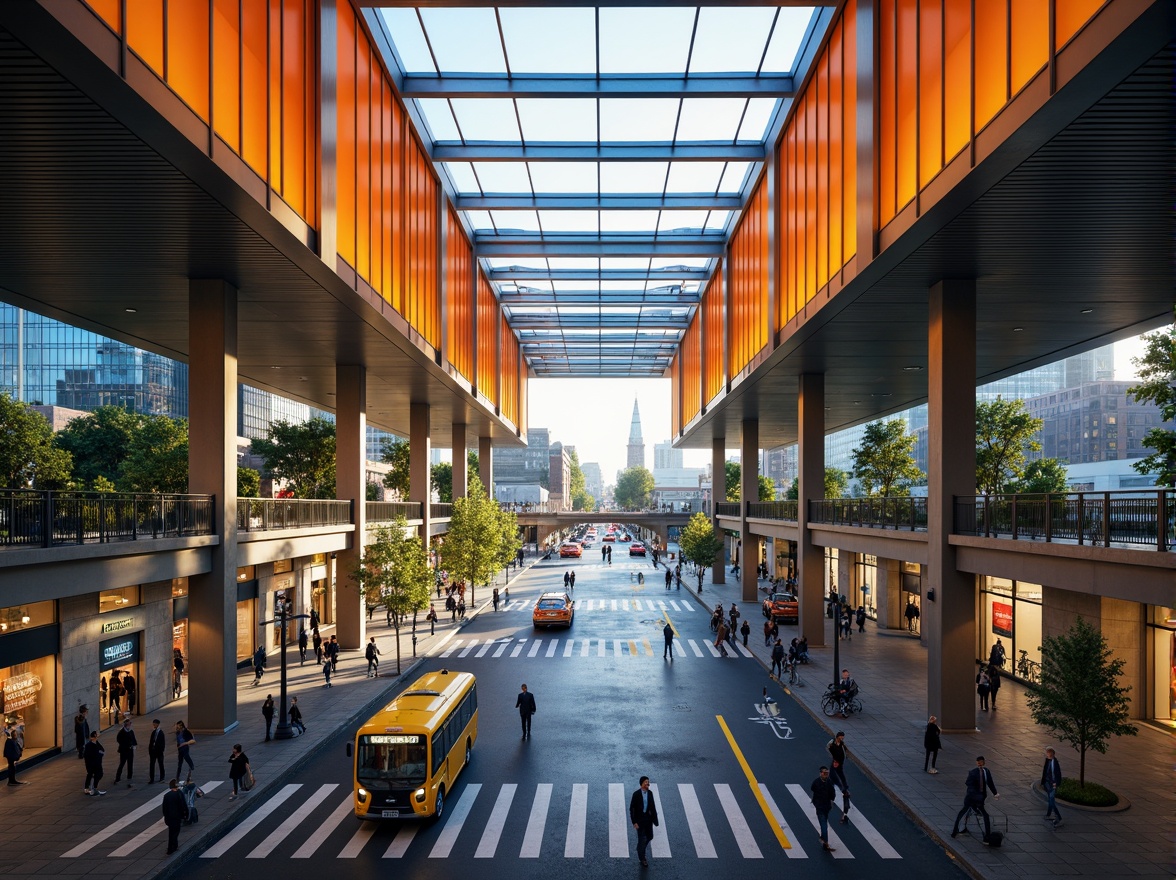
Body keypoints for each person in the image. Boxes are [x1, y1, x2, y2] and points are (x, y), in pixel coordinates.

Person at [951, 756, 999, 841]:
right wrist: (974, 795)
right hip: (972, 798)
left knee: (966, 812)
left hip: (980, 797)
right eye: (978, 762)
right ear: (976, 763)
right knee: (980, 815)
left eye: (981, 762)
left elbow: (990, 783)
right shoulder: (973, 772)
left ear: (984, 762)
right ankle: (985, 836)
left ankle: (961, 829)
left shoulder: (986, 771)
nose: (979, 763)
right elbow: (968, 783)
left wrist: (995, 793)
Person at [628, 775, 660, 867]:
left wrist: (655, 820)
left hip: (648, 819)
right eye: (646, 782)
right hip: (640, 821)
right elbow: (632, 809)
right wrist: (634, 822)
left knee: (650, 836)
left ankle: (640, 848)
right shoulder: (636, 794)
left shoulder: (650, 793)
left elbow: (653, 807)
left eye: (648, 782)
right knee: (642, 839)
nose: (647, 783)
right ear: (641, 783)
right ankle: (642, 858)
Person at [809, 766, 838, 852]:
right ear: (821, 773)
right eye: (824, 773)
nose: (826, 775)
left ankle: (823, 839)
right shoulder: (823, 782)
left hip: (825, 806)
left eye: (827, 773)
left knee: (824, 822)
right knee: (824, 823)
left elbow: (832, 794)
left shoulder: (823, 782)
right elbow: (833, 794)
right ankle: (825, 841)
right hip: (821, 806)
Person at [826, 731, 852, 822]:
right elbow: (828, 748)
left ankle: (844, 815)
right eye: (840, 737)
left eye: (843, 737)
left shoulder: (842, 745)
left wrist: (844, 789)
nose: (842, 739)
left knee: (841, 785)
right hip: (836, 765)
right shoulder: (832, 743)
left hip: (838, 765)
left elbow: (845, 752)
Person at [161, 778, 189, 854]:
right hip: (177, 816)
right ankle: (173, 846)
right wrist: (186, 814)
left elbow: (164, 808)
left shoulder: (166, 795)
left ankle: (171, 847)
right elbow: (183, 805)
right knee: (176, 832)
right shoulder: (179, 794)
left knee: (171, 832)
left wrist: (165, 816)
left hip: (169, 817)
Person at [113, 716, 137, 787]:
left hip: (130, 750)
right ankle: (118, 777)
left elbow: (133, 739)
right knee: (122, 764)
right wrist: (126, 745)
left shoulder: (131, 731)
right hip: (124, 751)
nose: (130, 725)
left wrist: (134, 745)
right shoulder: (121, 732)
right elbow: (119, 740)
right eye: (129, 724)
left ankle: (129, 776)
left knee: (130, 763)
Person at [1041, 747, 1063, 826]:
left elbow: (1057, 774)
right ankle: (1048, 814)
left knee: (1052, 801)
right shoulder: (1048, 761)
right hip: (1048, 783)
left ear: (1051, 754)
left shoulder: (1054, 763)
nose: (1046, 754)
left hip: (1052, 784)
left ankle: (1059, 818)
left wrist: (1055, 783)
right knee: (1050, 800)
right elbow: (1045, 772)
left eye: (1047, 753)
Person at [83, 730, 106, 795]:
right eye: (95, 736)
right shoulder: (89, 745)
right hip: (92, 763)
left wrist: (100, 753)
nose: (96, 737)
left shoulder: (97, 743)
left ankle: (90, 787)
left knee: (97, 774)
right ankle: (90, 788)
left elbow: (102, 750)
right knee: (91, 774)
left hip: (97, 762)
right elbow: (87, 755)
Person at [147, 718, 167, 783]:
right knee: (152, 764)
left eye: (154, 724)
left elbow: (162, 743)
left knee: (160, 764)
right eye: (153, 724)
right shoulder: (153, 732)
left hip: (159, 751)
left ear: (157, 724)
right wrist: (150, 750)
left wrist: (161, 750)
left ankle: (162, 777)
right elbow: (151, 741)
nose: (153, 725)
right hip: (153, 751)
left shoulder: (161, 733)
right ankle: (151, 778)